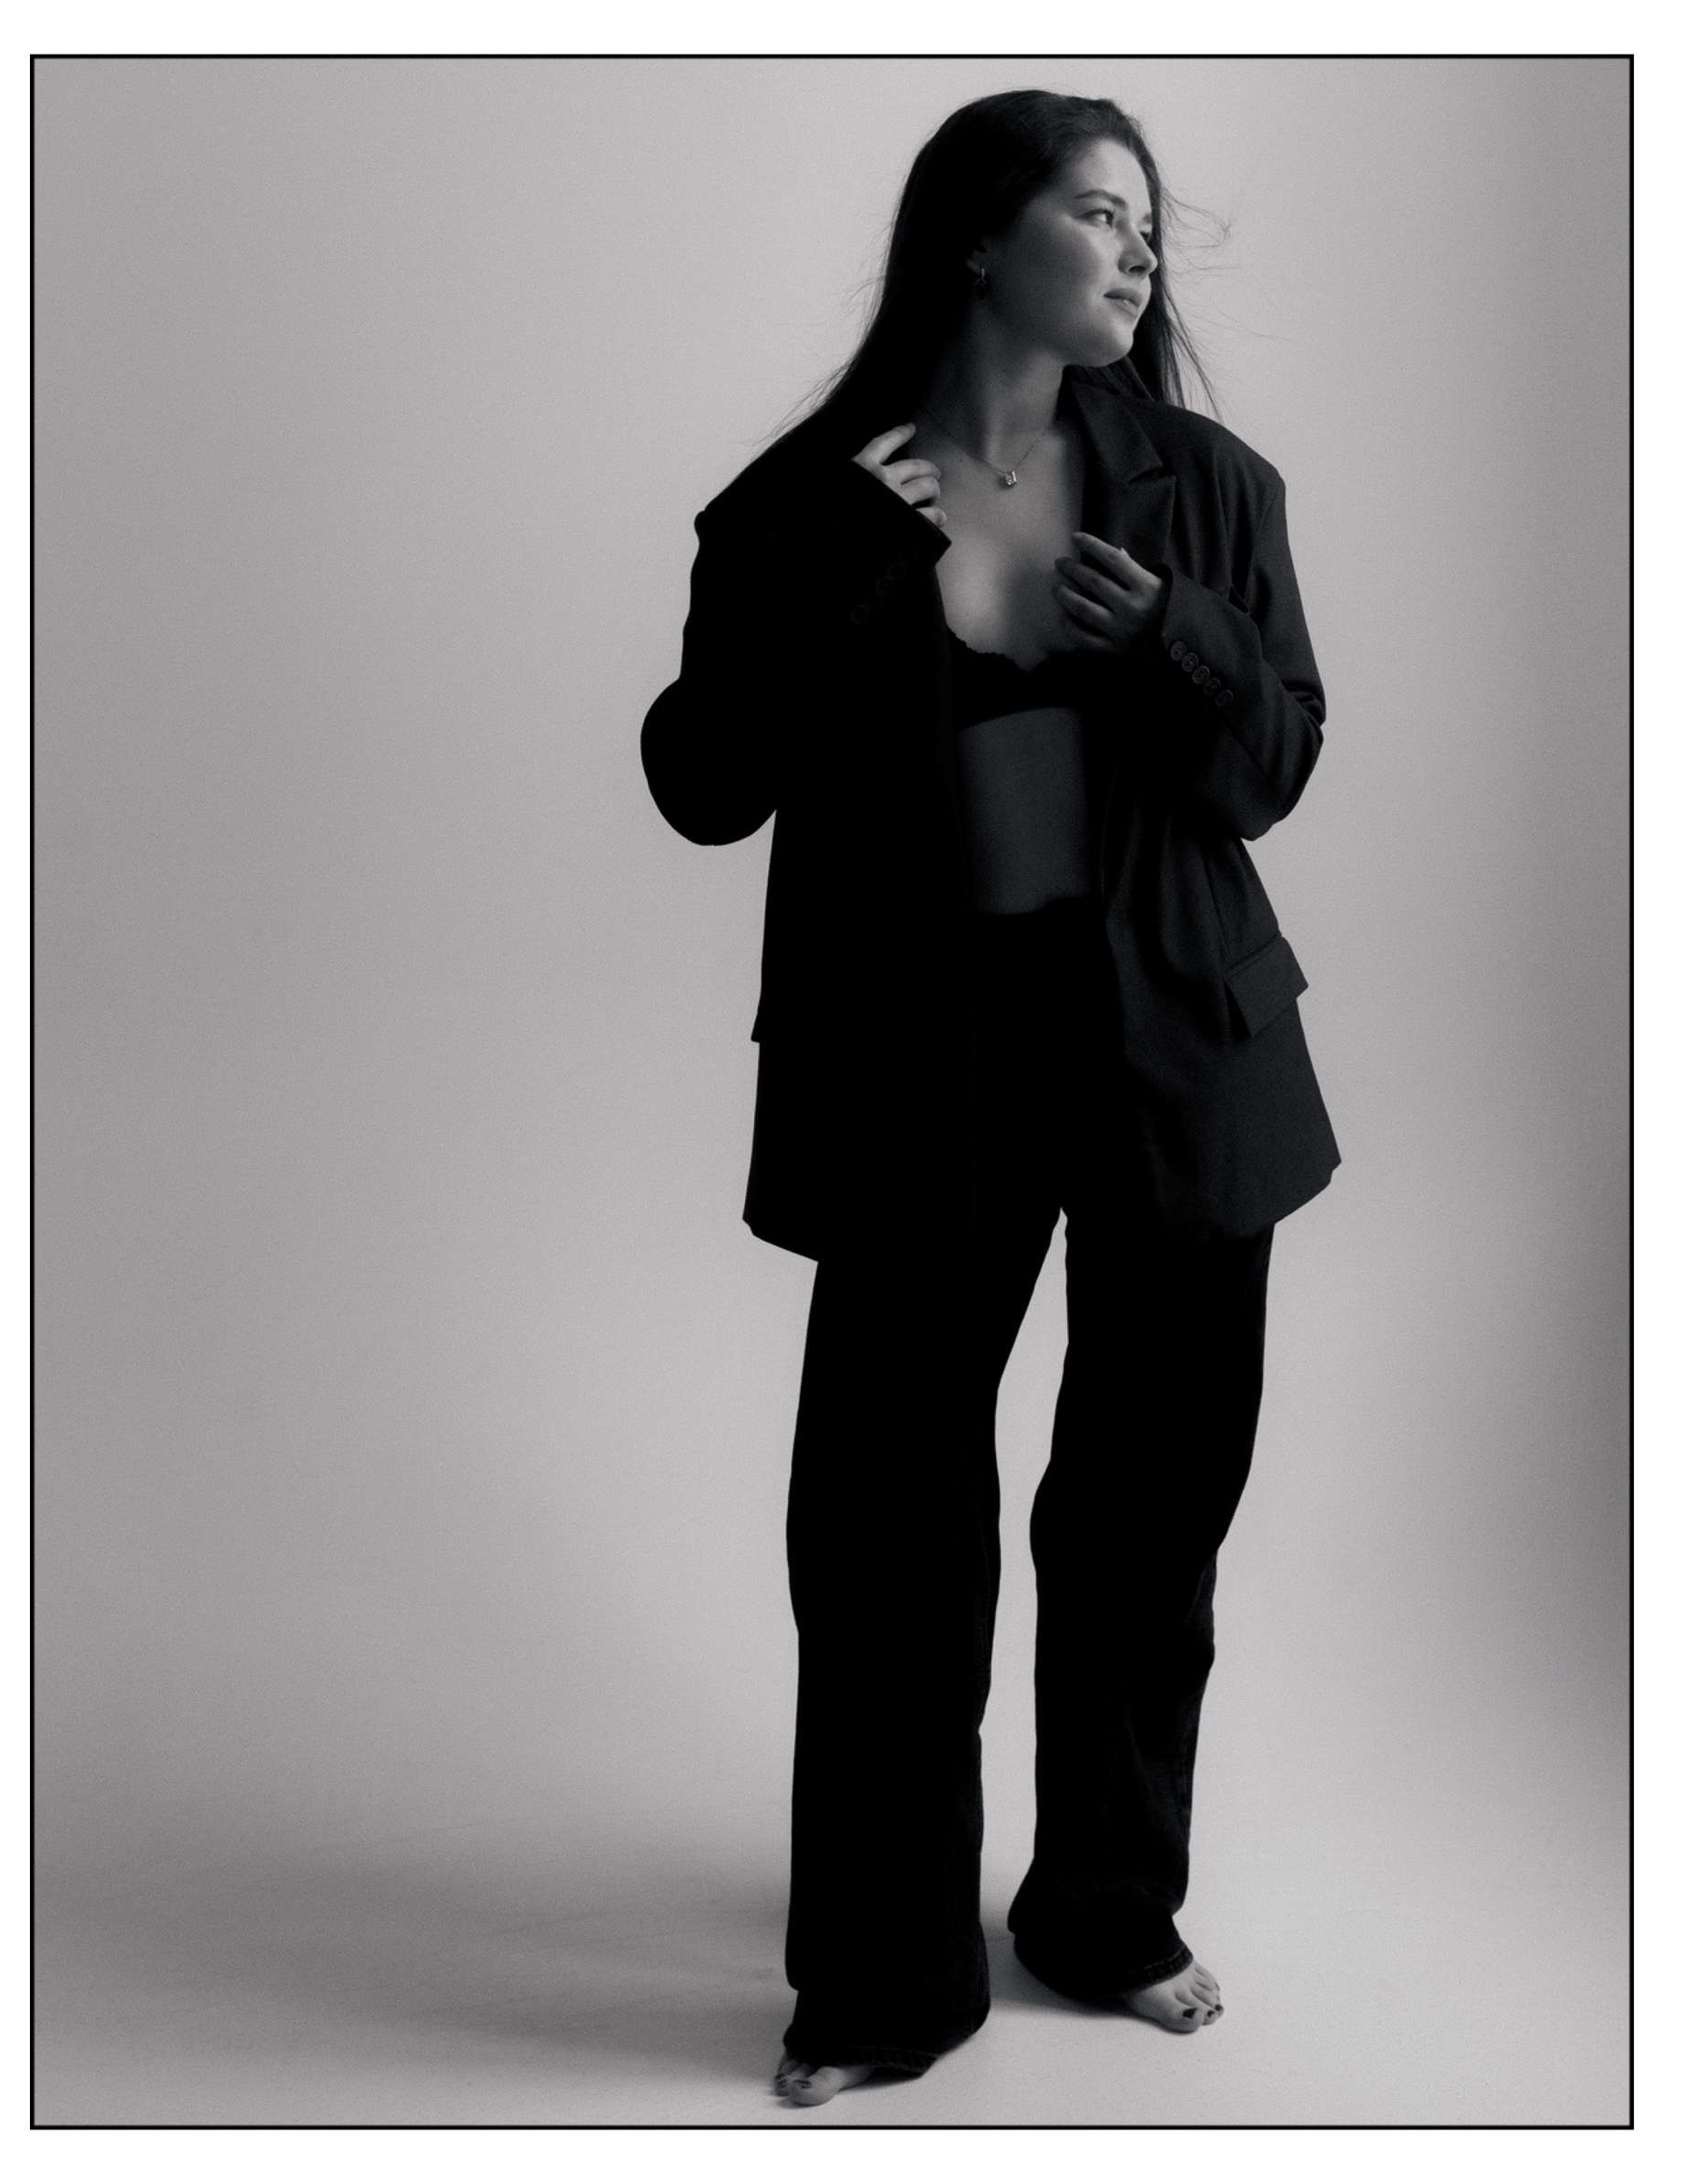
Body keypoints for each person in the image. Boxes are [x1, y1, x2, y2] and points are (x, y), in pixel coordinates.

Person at [641, 88, 1338, 2108]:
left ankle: (1106, 1911)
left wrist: (1179, 638)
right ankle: (881, 1979)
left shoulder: (1208, 488)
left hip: (1178, 1048)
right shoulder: (804, 502)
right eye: (1100, 213)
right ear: (977, 235)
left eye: (1146, 225)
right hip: (918, 1066)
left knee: (1147, 1515)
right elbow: (701, 783)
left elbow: (1276, 765)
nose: (1139, 250)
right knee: (885, 1530)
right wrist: (849, 571)